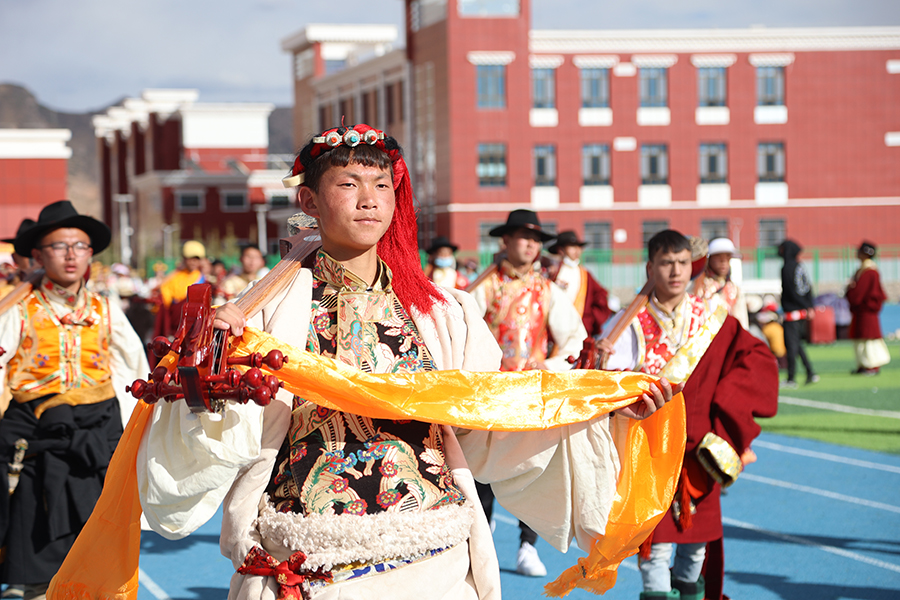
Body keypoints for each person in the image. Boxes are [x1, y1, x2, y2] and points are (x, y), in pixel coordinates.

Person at [128, 125, 680, 600]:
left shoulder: (443, 313)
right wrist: (212, 366)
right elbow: (222, 437)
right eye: (348, 184)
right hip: (311, 562)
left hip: (433, 558)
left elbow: (489, 419)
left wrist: (598, 408)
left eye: (381, 185)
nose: (369, 199)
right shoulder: (265, 315)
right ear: (309, 202)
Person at [597, 229, 779, 600]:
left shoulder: (710, 317)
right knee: (655, 546)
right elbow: (602, 387)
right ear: (650, 268)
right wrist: (601, 366)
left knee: (696, 548)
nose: (676, 271)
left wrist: (728, 407)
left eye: (682, 262)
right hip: (646, 454)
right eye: (666, 263)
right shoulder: (624, 325)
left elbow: (753, 358)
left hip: (698, 451)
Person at [0, 200, 149, 600]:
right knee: (32, 508)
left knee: (100, 515)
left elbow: (133, 366)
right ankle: (35, 584)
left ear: (90, 254)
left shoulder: (105, 308)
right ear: (38, 255)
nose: (71, 255)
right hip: (36, 425)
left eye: (80, 246)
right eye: (59, 246)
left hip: (97, 426)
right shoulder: (20, 308)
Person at [468, 210, 588, 576]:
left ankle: (527, 547)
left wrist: (550, 366)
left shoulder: (547, 290)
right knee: (482, 469)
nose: (531, 244)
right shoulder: (485, 285)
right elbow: (463, 331)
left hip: (532, 394)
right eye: (523, 236)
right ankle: (482, 543)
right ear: (505, 240)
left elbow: (575, 338)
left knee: (531, 469)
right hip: (489, 393)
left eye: (536, 239)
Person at [547, 230, 612, 337]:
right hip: (555, 330)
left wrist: (589, 317)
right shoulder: (553, 271)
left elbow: (600, 296)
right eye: (572, 246)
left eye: (579, 247)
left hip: (580, 330)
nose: (577, 250)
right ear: (561, 250)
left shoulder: (585, 274)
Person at [778, 240, 818, 388]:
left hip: (792, 313)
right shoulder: (800, 266)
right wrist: (809, 306)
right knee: (797, 345)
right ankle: (810, 372)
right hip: (801, 312)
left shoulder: (787, 268)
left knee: (791, 346)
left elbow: (791, 291)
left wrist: (805, 305)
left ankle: (791, 378)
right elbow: (807, 288)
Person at [846, 241, 890, 375]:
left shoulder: (870, 272)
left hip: (867, 310)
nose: (857, 254)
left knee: (869, 338)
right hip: (860, 311)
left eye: (859, 251)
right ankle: (863, 364)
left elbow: (860, 293)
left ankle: (872, 365)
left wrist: (851, 289)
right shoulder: (862, 270)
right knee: (860, 338)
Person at [691, 238, 749, 329]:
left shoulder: (734, 289)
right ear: (709, 259)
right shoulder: (699, 285)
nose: (723, 262)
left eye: (727, 257)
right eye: (718, 257)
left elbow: (742, 321)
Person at [153, 240, 206, 338]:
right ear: (184, 259)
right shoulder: (175, 277)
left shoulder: (203, 278)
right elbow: (165, 299)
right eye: (190, 259)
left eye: (196, 259)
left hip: (196, 326)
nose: (193, 262)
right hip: (177, 325)